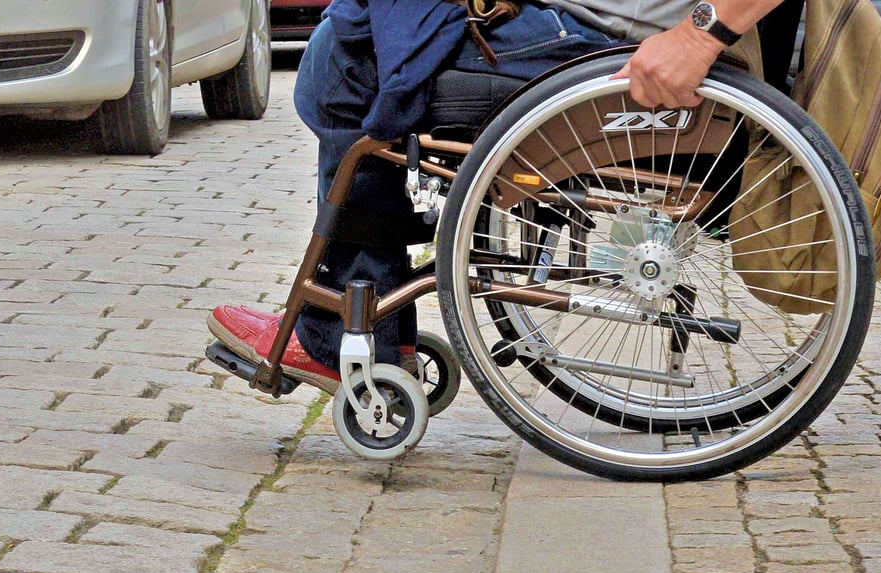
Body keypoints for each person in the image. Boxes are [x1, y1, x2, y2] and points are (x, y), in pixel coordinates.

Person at [207, 0, 788, 394]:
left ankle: (349, 335)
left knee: (345, 57)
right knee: (367, 29)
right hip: (585, 24)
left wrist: (700, 33)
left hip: (613, 41)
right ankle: (371, 324)